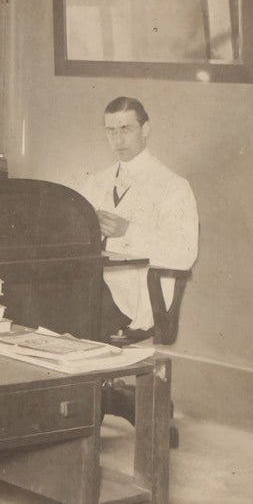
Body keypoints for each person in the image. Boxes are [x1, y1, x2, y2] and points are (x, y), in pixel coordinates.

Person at [76, 97, 198, 341]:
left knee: (62, 312)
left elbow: (185, 253)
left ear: (145, 129)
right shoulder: (95, 182)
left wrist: (128, 231)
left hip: (135, 295)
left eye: (126, 129)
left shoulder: (173, 186)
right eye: (111, 131)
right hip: (91, 283)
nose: (118, 140)